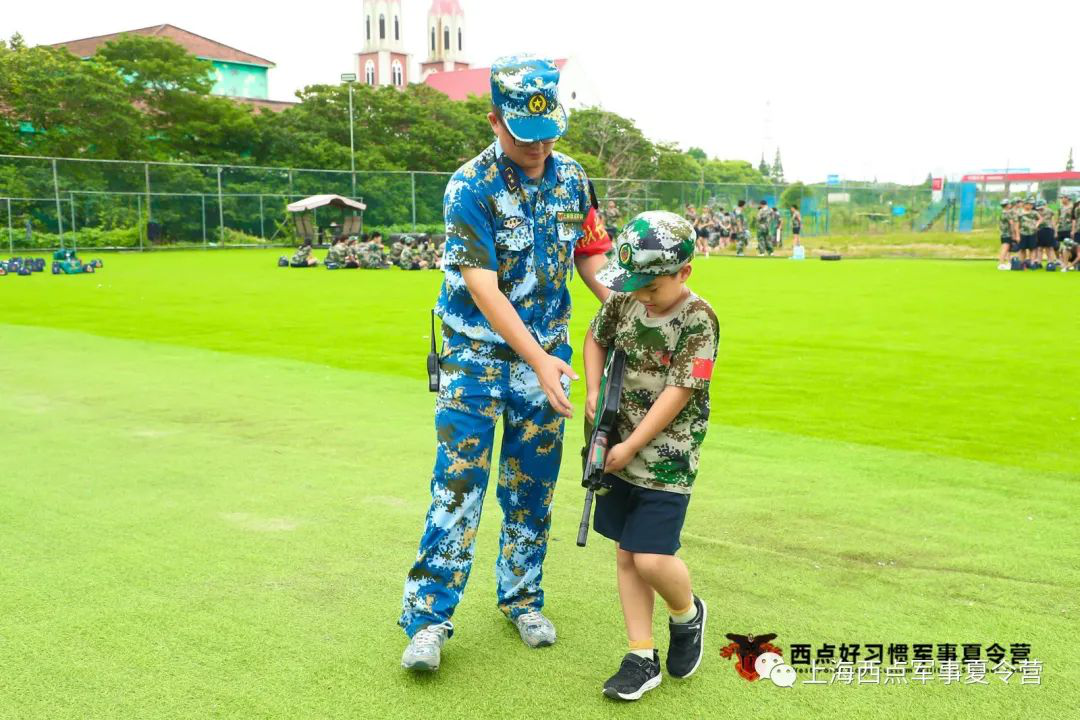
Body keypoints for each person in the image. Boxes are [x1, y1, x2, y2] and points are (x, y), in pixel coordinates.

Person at [398, 55, 611, 673]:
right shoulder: (470, 186)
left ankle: (521, 597)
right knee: (459, 481)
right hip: (475, 354)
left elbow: (593, 257)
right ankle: (429, 619)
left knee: (532, 483)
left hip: (548, 356)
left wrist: (634, 306)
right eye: (524, 133)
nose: (539, 146)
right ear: (495, 121)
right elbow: (484, 289)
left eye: (549, 133)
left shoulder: (574, 179)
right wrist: (540, 358)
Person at [583, 211, 718, 701]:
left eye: (652, 286)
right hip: (612, 441)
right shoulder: (625, 298)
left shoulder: (699, 318)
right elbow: (595, 339)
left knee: (652, 558)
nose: (641, 295)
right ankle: (641, 654)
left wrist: (632, 445)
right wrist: (594, 391)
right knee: (625, 552)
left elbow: (680, 390)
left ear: (684, 273)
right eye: (634, 284)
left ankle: (686, 614)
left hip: (667, 454)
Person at [1035, 199, 1057, 267]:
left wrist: (1055, 231)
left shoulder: (1049, 211)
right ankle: (1039, 262)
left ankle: (1050, 262)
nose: (1040, 208)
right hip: (1039, 230)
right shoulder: (1036, 212)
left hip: (1048, 230)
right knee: (1039, 247)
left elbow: (1053, 221)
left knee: (1049, 247)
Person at [997, 199, 1016, 270]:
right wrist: (1014, 233)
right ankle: (1001, 263)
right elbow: (1012, 224)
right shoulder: (1007, 213)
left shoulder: (1003, 213)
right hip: (1007, 233)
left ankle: (1008, 263)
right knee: (1005, 249)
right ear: (1007, 205)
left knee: (1008, 249)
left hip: (1003, 233)